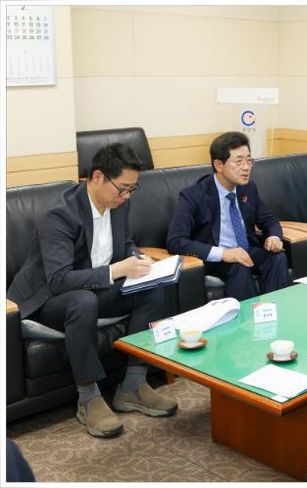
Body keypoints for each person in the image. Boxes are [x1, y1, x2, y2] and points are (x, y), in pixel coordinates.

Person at [7, 144, 177, 439]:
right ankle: (88, 398)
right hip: (49, 298)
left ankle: (133, 385)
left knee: (152, 290)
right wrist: (117, 270)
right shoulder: (60, 215)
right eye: (122, 188)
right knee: (83, 302)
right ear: (97, 177)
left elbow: (125, 244)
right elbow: (59, 280)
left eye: (132, 189)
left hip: (96, 288)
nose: (127, 196)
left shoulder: (118, 204)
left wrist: (138, 258)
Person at [167, 131, 288, 301]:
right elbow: (175, 240)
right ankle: (247, 317)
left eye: (249, 160)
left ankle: (276, 308)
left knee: (277, 257)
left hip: (246, 250)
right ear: (218, 165)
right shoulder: (194, 195)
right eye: (239, 161)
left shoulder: (248, 187)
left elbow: (268, 218)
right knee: (239, 266)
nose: (246, 167)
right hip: (216, 258)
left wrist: (273, 237)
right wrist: (224, 253)